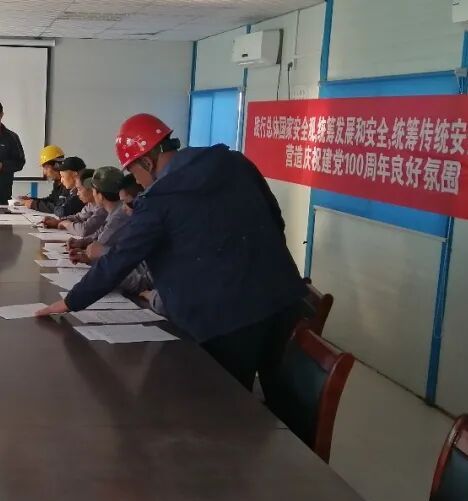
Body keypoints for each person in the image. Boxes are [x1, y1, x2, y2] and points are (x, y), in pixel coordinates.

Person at [36, 113, 306, 392]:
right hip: (284, 301)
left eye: (134, 172)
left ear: (147, 162)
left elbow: (120, 259)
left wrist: (71, 301)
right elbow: (275, 218)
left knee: (225, 408)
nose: (138, 182)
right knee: (281, 405)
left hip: (226, 320)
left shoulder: (158, 200)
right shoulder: (234, 162)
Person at [68, 166, 133, 264]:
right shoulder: (115, 211)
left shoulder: (118, 217)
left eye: (93, 190)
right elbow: (99, 234)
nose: (92, 193)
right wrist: (83, 243)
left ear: (100, 196)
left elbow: (99, 246)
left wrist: (88, 255)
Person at [51, 168, 106, 238]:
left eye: (79, 189)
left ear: (92, 189)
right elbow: (78, 217)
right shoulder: (90, 205)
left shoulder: (103, 208)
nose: (77, 193)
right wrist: (58, 221)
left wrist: (66, 224)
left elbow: (84, 230)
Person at [18, 145, 64, 211]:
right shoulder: (57, 182)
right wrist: (31, 200)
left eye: (46, 168)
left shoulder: (67, 184)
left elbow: (58, 207)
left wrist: (33, 204)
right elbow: (51, 200)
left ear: (56, 166)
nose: (44, 173)